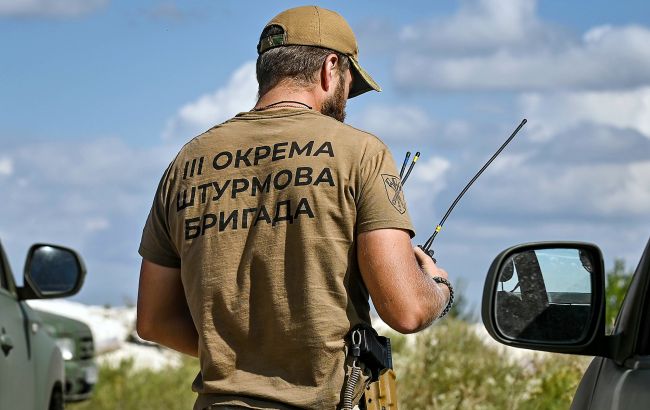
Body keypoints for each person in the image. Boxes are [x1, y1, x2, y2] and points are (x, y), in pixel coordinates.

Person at [136, 5, 452, 410]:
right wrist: (439, 287)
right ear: (330, 68)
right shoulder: (361, 153)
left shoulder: (187, 162)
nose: (345, 103)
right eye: (348, 85)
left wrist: (245, 359)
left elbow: (153, 320)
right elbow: (406, 309)